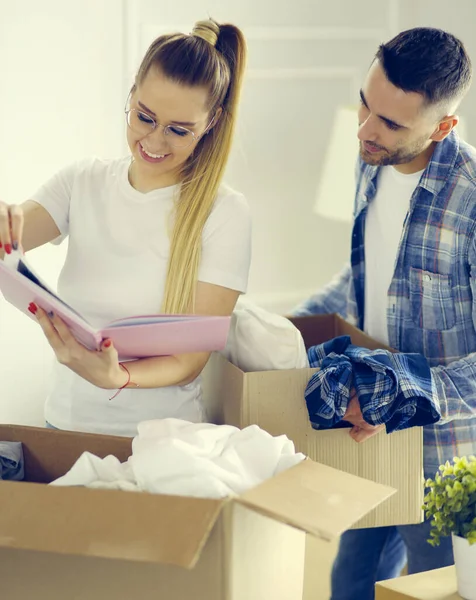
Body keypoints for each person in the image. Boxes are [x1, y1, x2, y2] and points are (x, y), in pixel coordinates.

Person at [0, 19, 251, 437]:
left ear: (211, 122)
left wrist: (118, 378)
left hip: (163, 440)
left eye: (178, 129)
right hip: (64, 425)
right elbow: (13, 236)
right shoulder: (81, 182)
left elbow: (190, 360)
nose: (154, 142)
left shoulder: (225, 214)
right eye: (144, 117)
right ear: (131, 94)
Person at [293, 27, 475, 599]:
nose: (366, 130)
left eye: (391, 123)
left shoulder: (470, 203)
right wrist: (287, 328)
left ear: (443, 126)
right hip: (368, 439)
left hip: (442, 460)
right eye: (366, 105)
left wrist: (399, 394)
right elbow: (365, 278)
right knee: (350, 584)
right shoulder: (370, 159)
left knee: (426, 588)